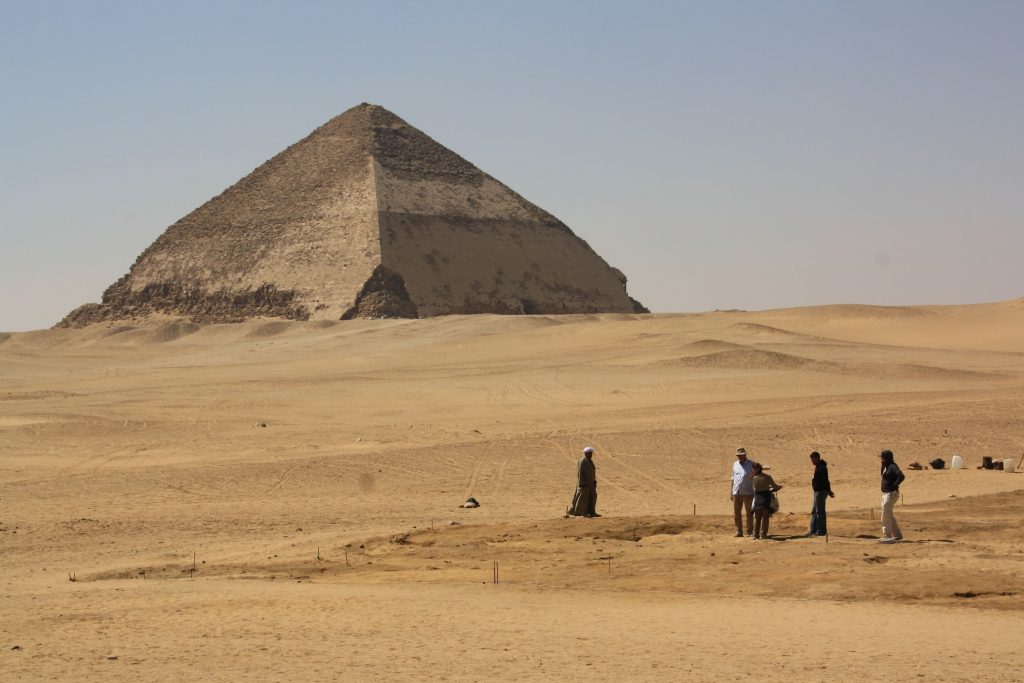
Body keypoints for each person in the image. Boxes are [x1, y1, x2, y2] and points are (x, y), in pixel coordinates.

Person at [879, 449, 905, 543]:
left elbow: (901, 476)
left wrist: (895, 485)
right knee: (888, 514)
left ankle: (887, 536)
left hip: (891, 494)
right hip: (885, 494)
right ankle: (897, 535)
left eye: (882, 457)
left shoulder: (893, 466)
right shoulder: (885, 466)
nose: (881, 459)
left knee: (885, 515)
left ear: (886, 458)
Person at [750, 462, 782, 539]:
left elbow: (755, 487)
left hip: (757, 499)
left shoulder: (752, 478)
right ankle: (763, 534)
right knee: (765, 518)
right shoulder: (767, 477)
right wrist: (778, 487)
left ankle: (755, 535)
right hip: (766, 499)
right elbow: (775, 486)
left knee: (757, 518)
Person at [806, 451, 835, 536]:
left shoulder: (822, 467)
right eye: (811, 460)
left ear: (817, 458)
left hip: (821, 492)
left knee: (820, 512)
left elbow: (825, 480)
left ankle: (821, 531)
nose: (812, 462)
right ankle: (813, 530)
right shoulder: (818, 466)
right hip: (817, 492)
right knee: (814, 511)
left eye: (813, 460)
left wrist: (828, 491)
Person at [730, 447, 755, 537]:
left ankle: (750, 531)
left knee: (749, 513)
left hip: (748, 492)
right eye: (738, 455)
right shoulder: (735, 464)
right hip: (736, 492)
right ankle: (739, 531)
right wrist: (731, 491)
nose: (739, 457)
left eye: (741, 455)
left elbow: (756, 478)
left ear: (745, 455)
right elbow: (733, 478)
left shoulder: (752, 464)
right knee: (736, 514)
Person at [570, 446, 599, 517]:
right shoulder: (582, 461)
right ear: (585, 453)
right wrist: (582, 483)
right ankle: (582, 513)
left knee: (592, 497)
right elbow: (580, 473)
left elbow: (592, 472)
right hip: (584, 484)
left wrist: (594, 481)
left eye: (591, 453)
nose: (590, 455)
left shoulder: (590, 461)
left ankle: (592, 512)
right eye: (589, 453)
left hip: (591, 484)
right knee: (582, 499)